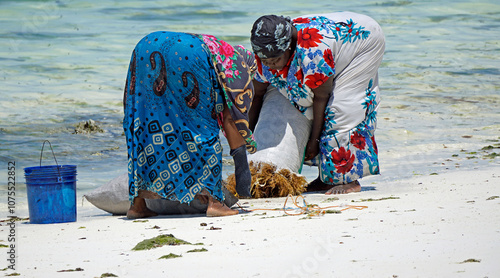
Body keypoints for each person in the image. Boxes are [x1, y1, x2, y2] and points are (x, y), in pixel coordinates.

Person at [123, 31, 257, 219]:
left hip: (145, 44)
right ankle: (216, 203)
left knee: (144, 121)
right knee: (201, 127)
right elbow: (231, 121)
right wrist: (243, 173)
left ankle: (136, 205)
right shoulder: (238, 68)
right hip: (188, 53)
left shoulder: (218, 50)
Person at [249, 12, 385, 194]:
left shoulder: (313, 52)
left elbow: (322, 97)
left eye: (275, 61)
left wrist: (314, 141)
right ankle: (326, 179)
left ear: (288, 47)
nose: (271, 65)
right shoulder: (264, 50)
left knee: (341, 108)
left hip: (364, 41)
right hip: (337, 39)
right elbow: (257, 95)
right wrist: (247, 133)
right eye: (267, 61)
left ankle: (348, 180)